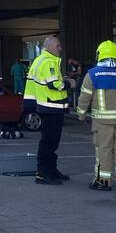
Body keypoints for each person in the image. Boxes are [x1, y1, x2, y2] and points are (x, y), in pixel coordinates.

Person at [76, 41, 116, 192]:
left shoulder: (92, 74)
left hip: (102, 122)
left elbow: (84, 98)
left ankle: (103, 182)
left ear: (100, 55)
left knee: (104, 151)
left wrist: (80, 114)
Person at [24, 35, 75, 184]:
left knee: (50, 141)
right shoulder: (48, 62)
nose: (60, 48)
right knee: (49, 141)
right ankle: (43, 173)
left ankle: (50, 170)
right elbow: (54, 85)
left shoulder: (40, 61)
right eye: (58, 45)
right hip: (51, 107)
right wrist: (69, 83)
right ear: (49, 47)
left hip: (46, 106)